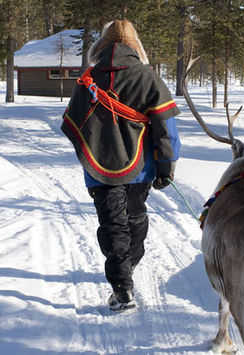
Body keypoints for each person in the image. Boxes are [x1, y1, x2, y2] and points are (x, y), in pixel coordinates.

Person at [61, 19, 181, 311]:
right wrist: (166, 164)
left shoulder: (87, 80)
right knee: (135, 219)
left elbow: (72, 124)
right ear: (135, 45)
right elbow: (166, 128)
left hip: (99, 171)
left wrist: (91, 152)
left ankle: (121, 283)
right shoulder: (148, 77)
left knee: (113, 224)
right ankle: (127, 272)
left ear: (100, 45)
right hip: (139, 167)